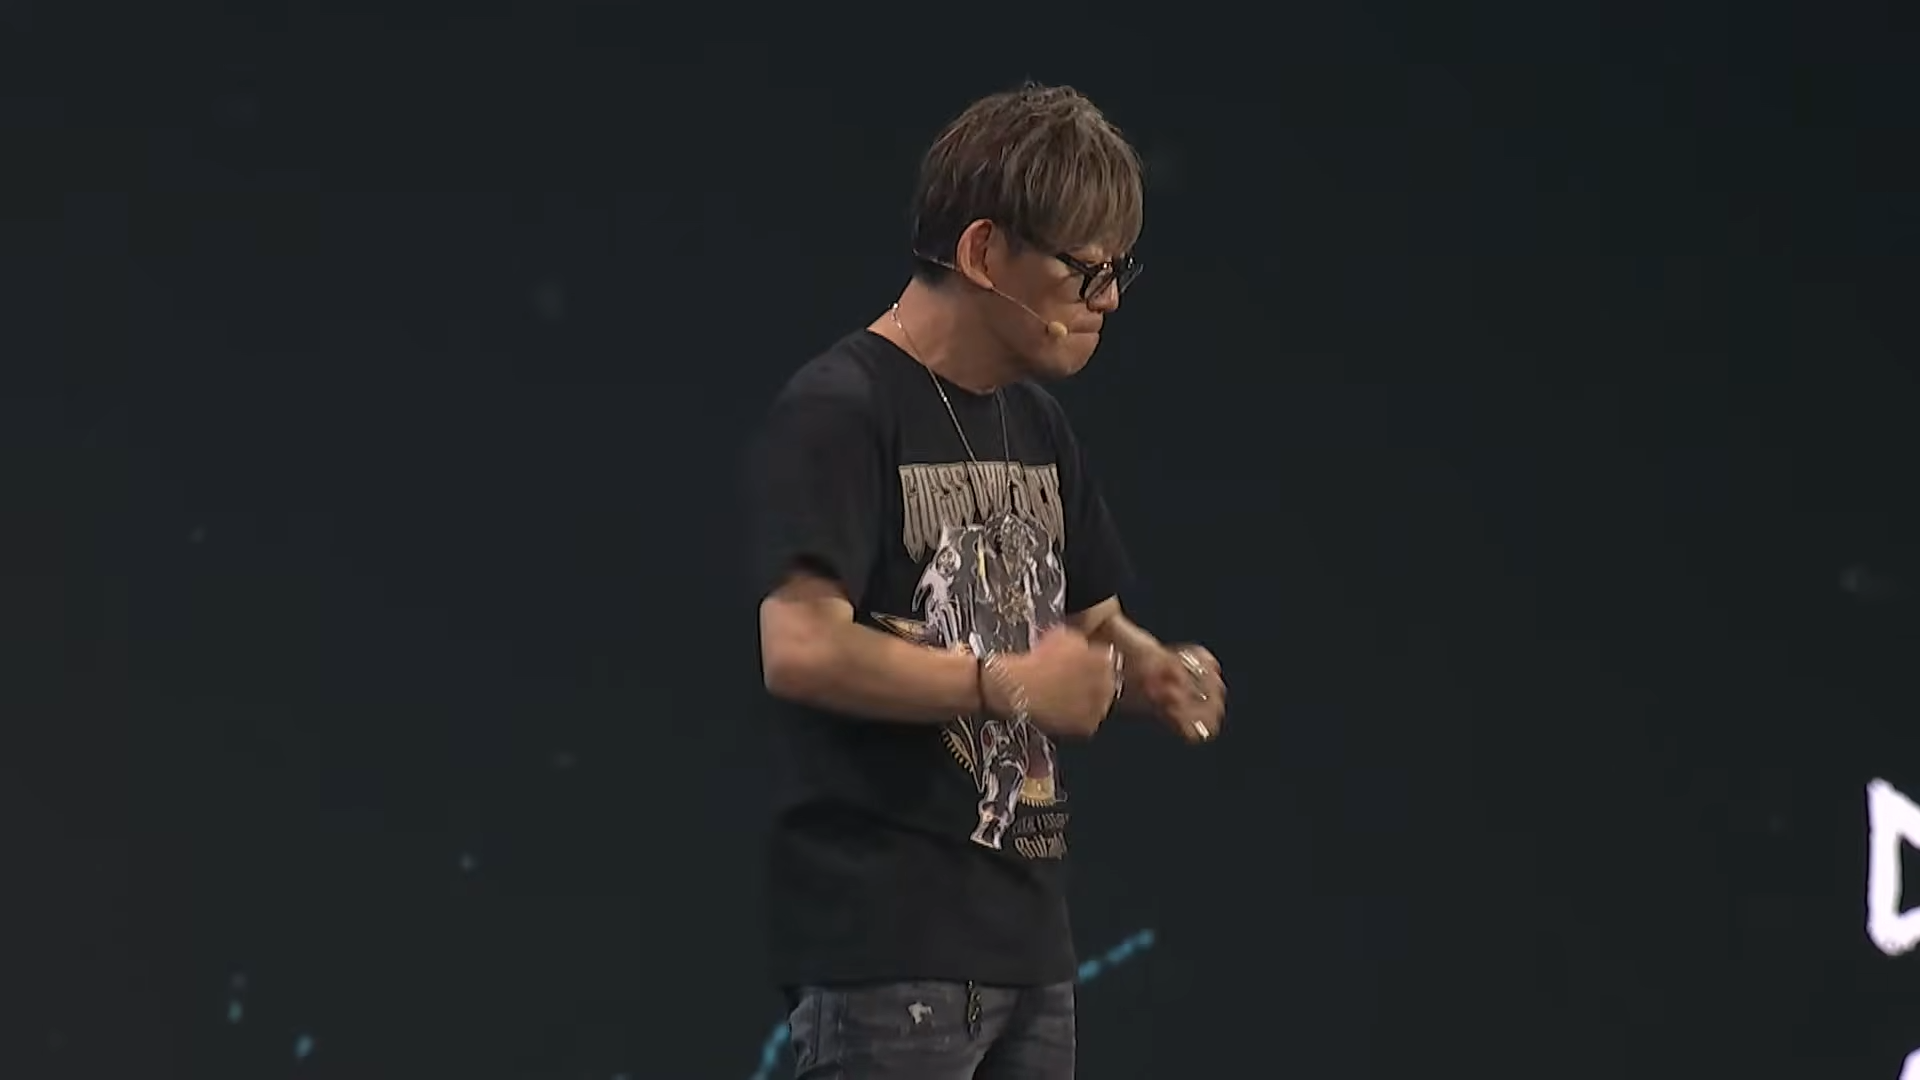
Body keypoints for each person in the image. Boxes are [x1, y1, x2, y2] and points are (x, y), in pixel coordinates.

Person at [746, 82, 1228, 1080]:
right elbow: (798, 648)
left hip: (1028, 949)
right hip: (887, 950)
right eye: (1086, 270)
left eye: (1119, 270)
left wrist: (1154, 671)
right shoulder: (843, 409)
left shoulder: (1036, 423)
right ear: (981, 252)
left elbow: (1093, 623)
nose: (1109, 299)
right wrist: (1003, 683)